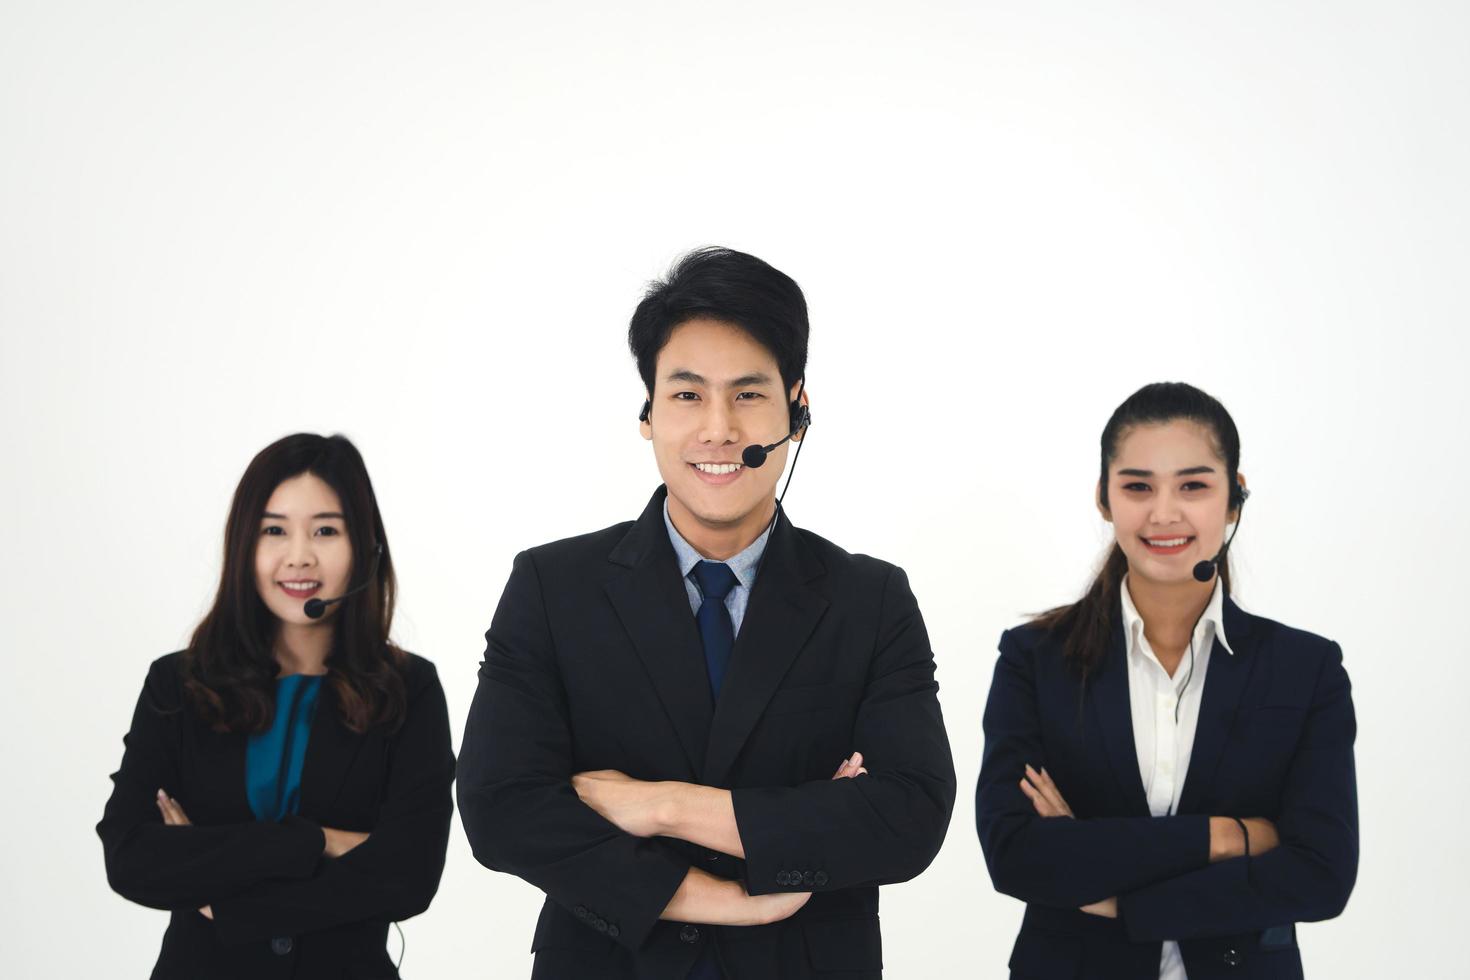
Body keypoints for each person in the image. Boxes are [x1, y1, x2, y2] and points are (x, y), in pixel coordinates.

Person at [457, 246, 956, 979]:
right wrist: (726, 894)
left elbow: (907, 818)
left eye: (748, 394)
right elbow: (500, 808)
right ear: (647, 414)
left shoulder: (870, 600)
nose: (718, 429)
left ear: (798, 410)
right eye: (687, 395)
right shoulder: (551, 586)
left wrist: (660, 807)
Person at [975, 382, 1358, 979]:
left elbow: (1321, 874)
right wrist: (1225, 838)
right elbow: (1017, 855)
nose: (1163, 513)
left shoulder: (1305, 671)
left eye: (1194, 486)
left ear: (1234, 499)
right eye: (1137, 486)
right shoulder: (1034, 659)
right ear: (1104, 498)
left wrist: (1116, 888)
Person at [98, 433, 454, 979]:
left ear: (365, 547)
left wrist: (224, 892)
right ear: (244, 545)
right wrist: (317, 841)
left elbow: (408, 875)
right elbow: (132, 858)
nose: (299, 556)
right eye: (274, 530)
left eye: (326, 531)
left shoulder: (409, 689)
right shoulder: (178, 684)